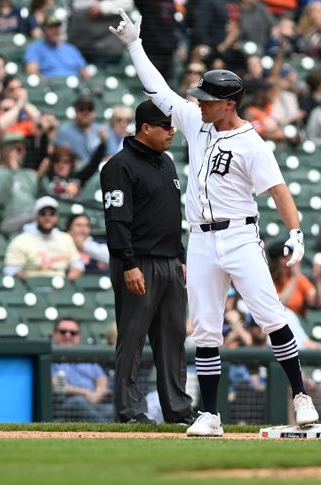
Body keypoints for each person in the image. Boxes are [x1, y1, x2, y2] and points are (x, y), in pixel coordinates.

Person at [110, 9, 318, 437]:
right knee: (206, 328)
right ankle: (209, 414)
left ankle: (301, 396)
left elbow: (278, 190)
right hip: (200, 241)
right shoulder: (195, 124)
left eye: (207, 99)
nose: (199, 103)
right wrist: (134, 46)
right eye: (200, 98)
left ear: (228, 104)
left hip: (241, 234)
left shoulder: (252, 143)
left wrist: (295, 232)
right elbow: (157, 89)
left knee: (270, 316)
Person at [100, 99, 195, 425]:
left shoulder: (166, 163)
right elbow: (116, 221)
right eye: (165, 127)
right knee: (133, 340)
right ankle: (129, 412)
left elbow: (172, 217)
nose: (172, 132)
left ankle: (178, 410)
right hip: (138, 262)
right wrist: (127, 263)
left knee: (172, 341)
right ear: (145, 128)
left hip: (169, 263)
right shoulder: (119, 166)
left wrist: (181, 258)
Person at [3, 196, 84, 281]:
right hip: (32, 285)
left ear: (57, 216)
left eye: (52, 213)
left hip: (61, 286)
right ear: (36, 216)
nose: (47, 217)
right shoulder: (21, 240)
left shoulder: (65, 239)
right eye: (43, 213)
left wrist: (70, 278)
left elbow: (77, 264)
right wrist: (24, 278)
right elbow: (10, 269)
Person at [51, 317, 113, 422]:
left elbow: (102, 380)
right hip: (64, 405)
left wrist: (97, 394)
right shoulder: (50, 358)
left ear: (78, 337)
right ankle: (106, 432)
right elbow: (55, 384)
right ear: (54, 335)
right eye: (63, 332)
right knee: (78, 402)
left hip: (92, 404)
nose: (68, 335)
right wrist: (86, 393)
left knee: (111, 409)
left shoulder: (86, 358)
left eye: (73, 333)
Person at [24, 14, 87, 78]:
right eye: (51, 28)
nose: (56, 31)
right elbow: (32, 72)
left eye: (58, 27)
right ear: (44, 30)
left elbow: (84, 72)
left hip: (74, 84)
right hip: (50, 85)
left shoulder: (71, 49)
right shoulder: (35, 48)